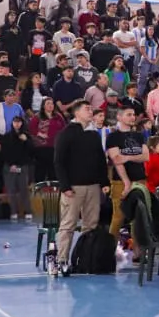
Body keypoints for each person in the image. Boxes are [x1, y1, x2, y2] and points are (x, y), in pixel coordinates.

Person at [53, 101, 109, 276]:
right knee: (68, 224)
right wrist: (65, 186)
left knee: (91, 225)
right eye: (87, 109)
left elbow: (100, 160)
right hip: (73, 188)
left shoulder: (93, 135)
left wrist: (105, 182)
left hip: (93, 186)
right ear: (76, 113)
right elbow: (59, 161)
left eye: (91, 109)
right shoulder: (66, 133)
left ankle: (86, 260)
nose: (91, 111)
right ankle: (62, 260)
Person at [105, 106, 147, 236]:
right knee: (118, 217)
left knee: (138, 218)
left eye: (133, 114)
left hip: (140, 180)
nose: (132, 117)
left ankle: (137, 252)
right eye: (128, 114)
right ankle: (109, 250)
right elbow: (117, 159)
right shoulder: (113, 137)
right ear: (119, 117)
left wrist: (127, 157)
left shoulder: (139, 136)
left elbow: (146, 156)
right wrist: (127, 183)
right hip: (120, 182)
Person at [0, 114, 33, 219]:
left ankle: (28, 211)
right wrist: (11, 164)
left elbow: (31, 151)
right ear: (12, 123)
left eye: (19, 122)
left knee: (24, 189)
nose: (17, 124)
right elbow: (4, 152)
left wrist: (26, 141)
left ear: (22, 123)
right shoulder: (6, 136)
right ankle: (13, 212)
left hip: (22, 166)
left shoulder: (27, 136)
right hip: (9, 167)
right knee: (11, 190)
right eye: (15, 122)